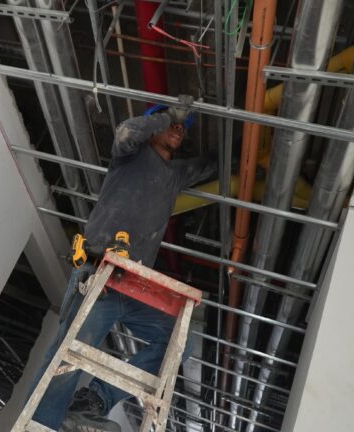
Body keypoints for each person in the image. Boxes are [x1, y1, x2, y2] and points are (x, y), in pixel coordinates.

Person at [28, 96, 216, 431]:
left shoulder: (173, 175)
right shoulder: (131, 156)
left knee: (179, 342)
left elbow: (210, 166)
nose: (177, 128)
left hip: (133, 288)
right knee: (66, 357)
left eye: (181, 127)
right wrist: (168, 114)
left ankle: (93, 401)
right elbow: (127, 132)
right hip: (101, 273)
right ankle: (39, 425)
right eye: (169, 122)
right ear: (153, 125)